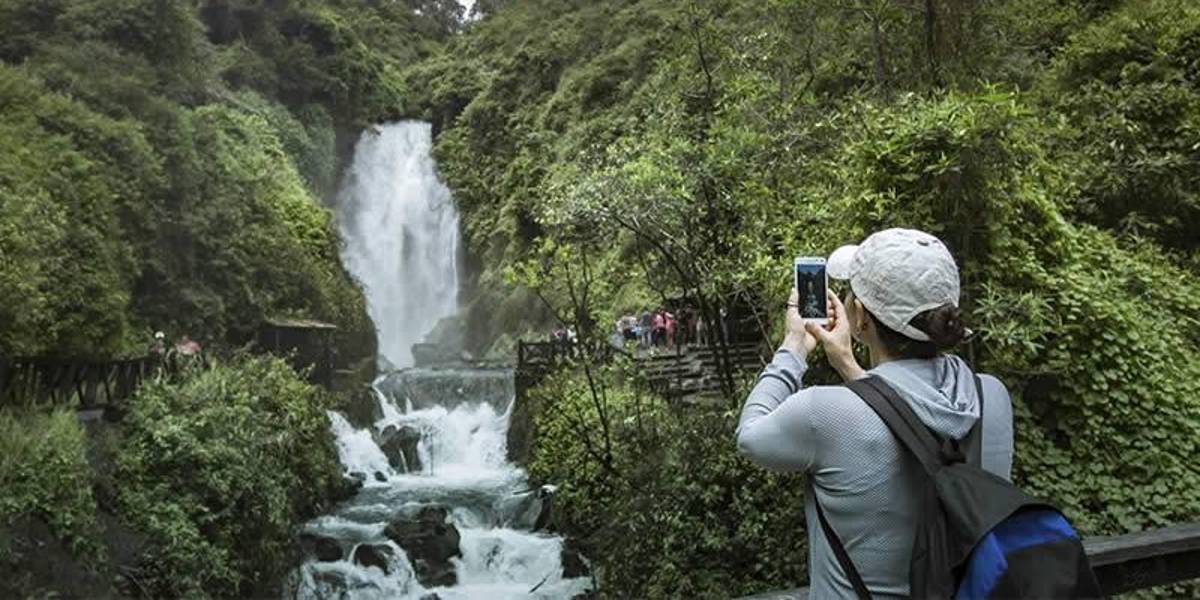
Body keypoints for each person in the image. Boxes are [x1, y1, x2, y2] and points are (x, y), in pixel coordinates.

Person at [736, 228, 1014, 599]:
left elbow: (750, 436)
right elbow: (907, 419)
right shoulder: (990, 395)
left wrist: (793, 347)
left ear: (861, 317)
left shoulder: (823, 412)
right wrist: (848, 365)